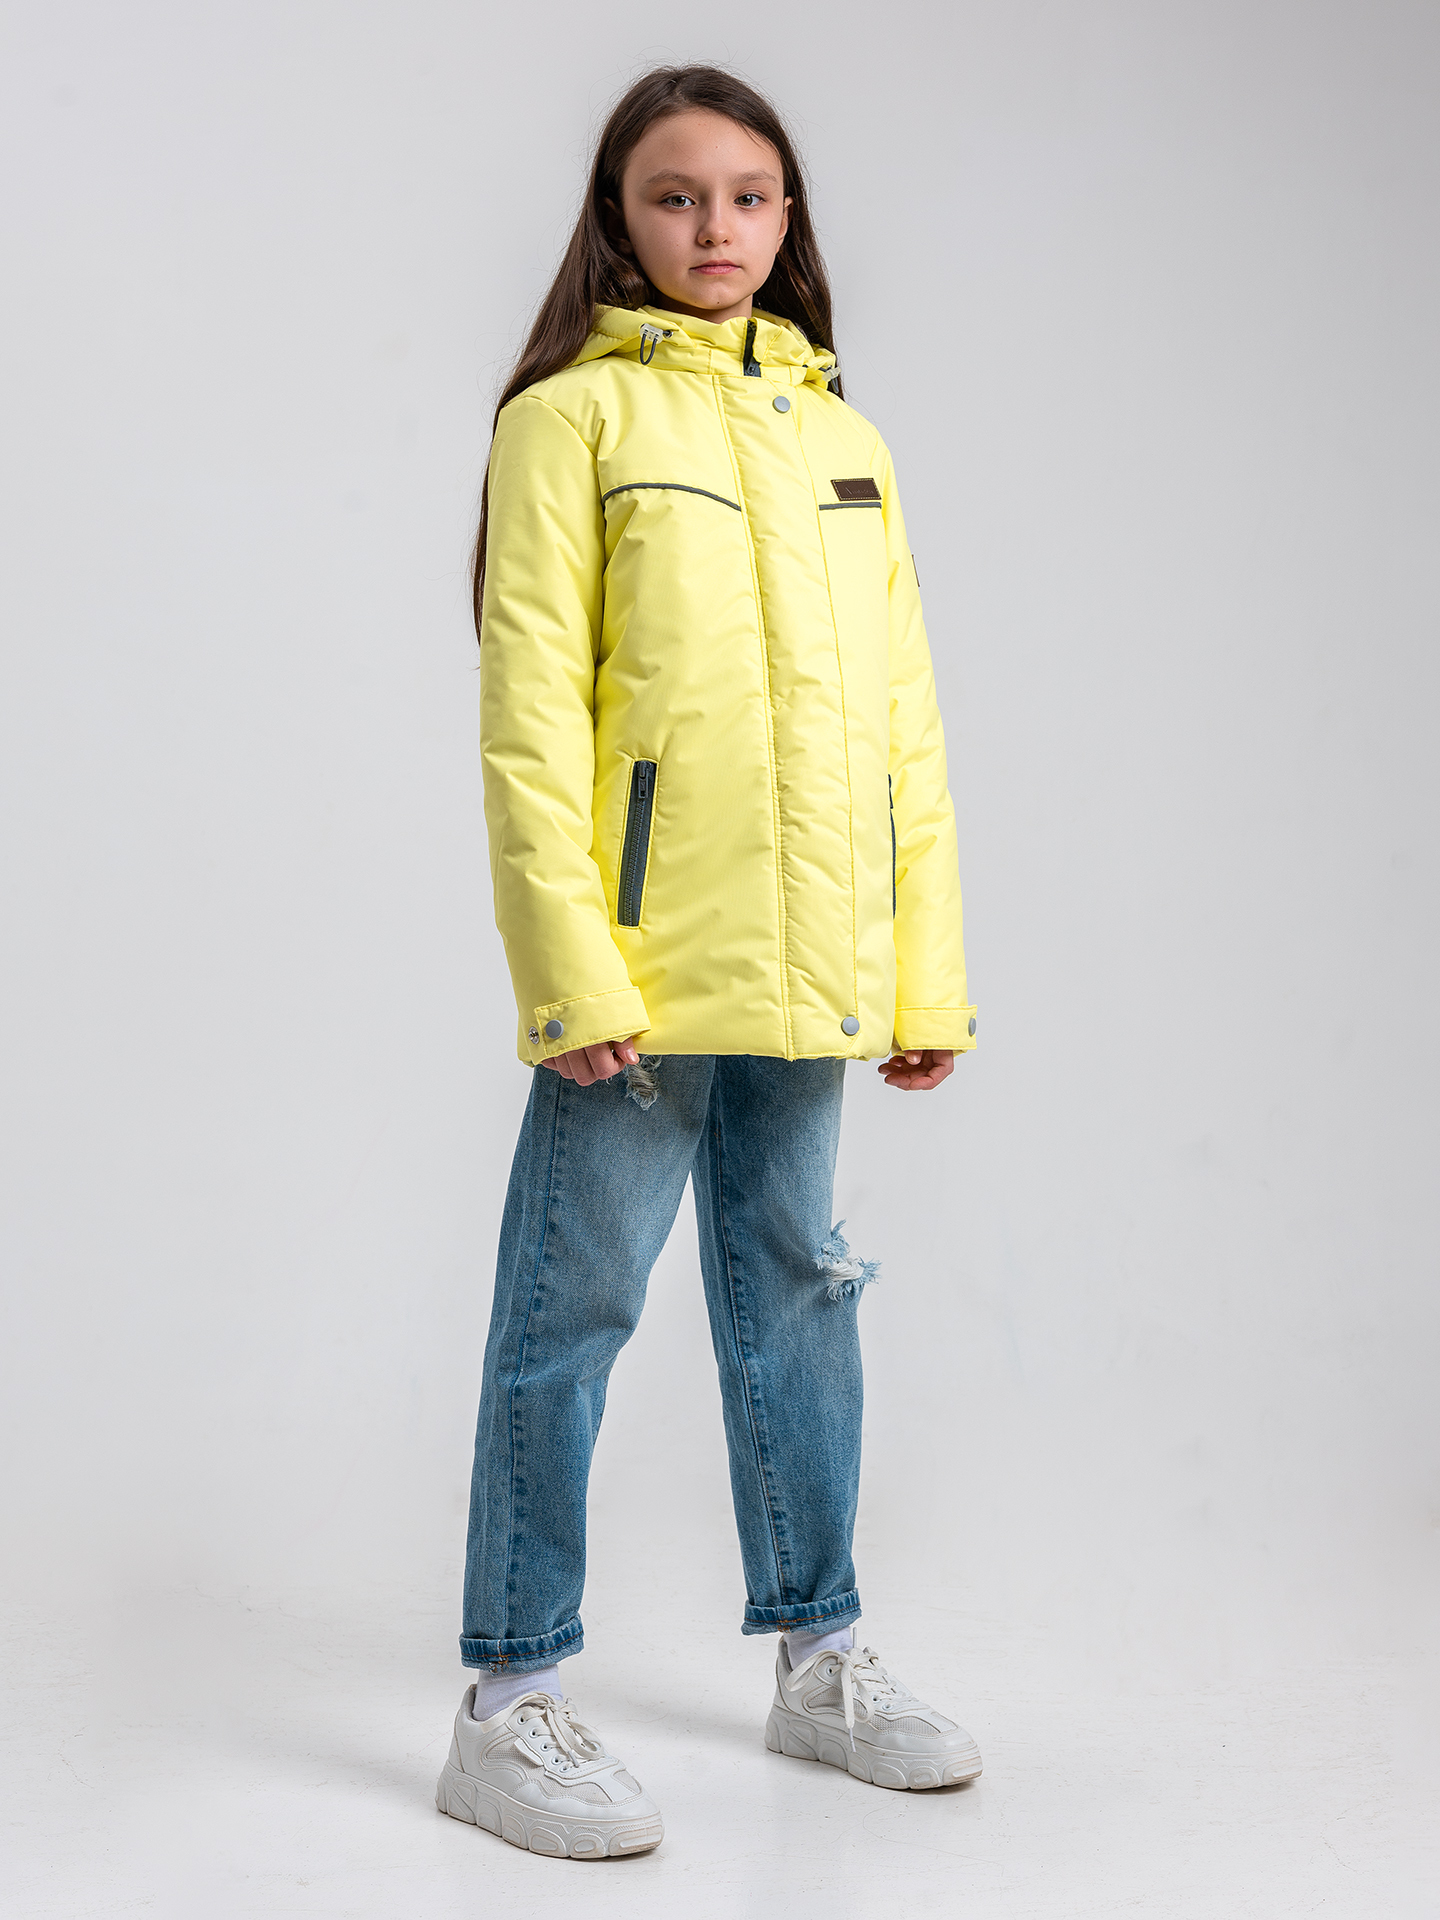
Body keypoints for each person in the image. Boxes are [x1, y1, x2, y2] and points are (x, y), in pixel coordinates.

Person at [435, 64, 982, 1860]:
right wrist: (569, 970)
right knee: (571, 1313)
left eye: (749, 196)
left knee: (802, 1289)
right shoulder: (568, 422)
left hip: (815, 963)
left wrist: (922, 974)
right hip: (643, 978)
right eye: (675, 196)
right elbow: (530, 719)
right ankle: (508, 1699)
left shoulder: (845, 441)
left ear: (788, 217)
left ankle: (819, 1659)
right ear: (619, 217)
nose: (716, 227)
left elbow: (905, 731)